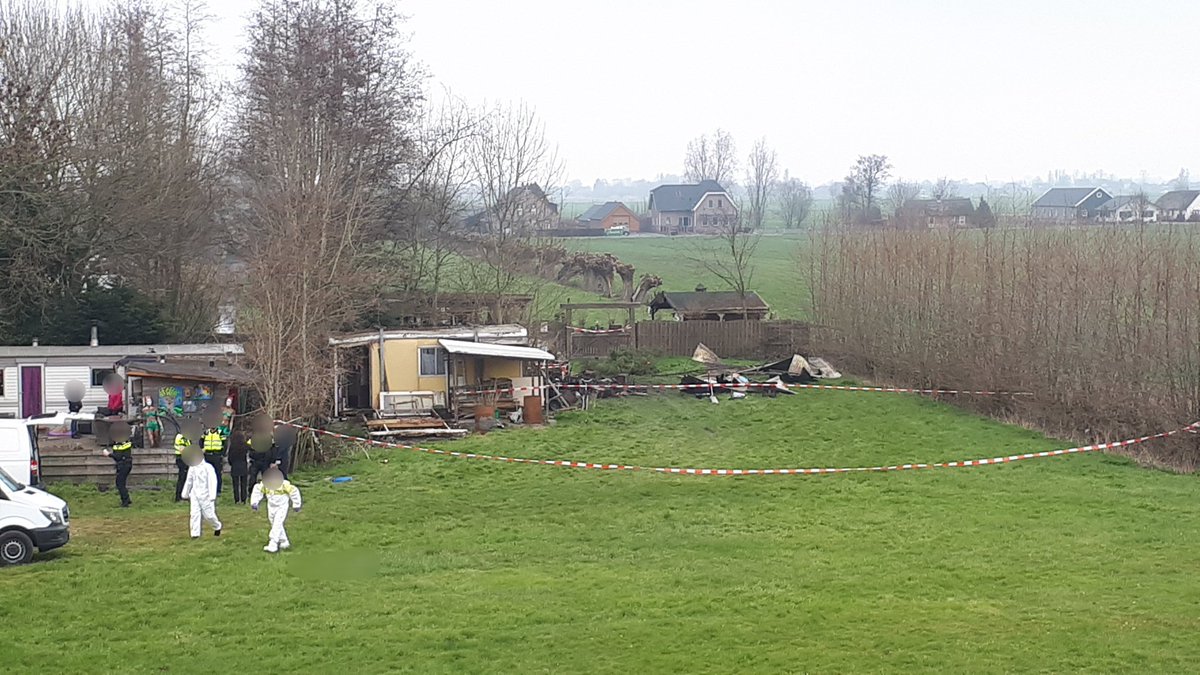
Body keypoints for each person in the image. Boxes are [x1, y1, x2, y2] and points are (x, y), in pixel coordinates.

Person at [250, 466, 301, 553]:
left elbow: (294, 491)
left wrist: (296, 504)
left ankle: (273, 543)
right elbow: (257, 489)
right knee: (274, 523)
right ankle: (284, 541)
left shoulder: (284, 484)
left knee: (277, 524)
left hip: (282, 507)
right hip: (271, 507)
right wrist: (254, 502)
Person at [180, 448, 222, 539]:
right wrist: (185, 493)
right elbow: (189, 481)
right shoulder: (192, 468)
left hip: (206, 495)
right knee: (194, 513)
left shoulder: (208, 468)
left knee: (209, 515)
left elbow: (212, 481)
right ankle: (195, 534)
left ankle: (217, 526)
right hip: (195, 494)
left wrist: (212, 495)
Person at [103, 422, 134, 508]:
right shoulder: (127, 442)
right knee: (122, 483)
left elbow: (118, 456)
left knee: (119, 484)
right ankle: (127, 499)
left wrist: (108, 454)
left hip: (123, 465)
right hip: (128, 464)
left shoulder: (118, 445)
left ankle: (125, 502)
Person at [201, 425, 226, 496]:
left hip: (217, 455)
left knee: (218, 473)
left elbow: (225, 444)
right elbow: (201, 441)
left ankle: (218, 490)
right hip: (207, 455)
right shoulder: (206, 432)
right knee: (206, 474)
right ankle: (207, 489)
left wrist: (222, 454)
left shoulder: (220, 433)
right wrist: (202, 449)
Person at [227, 431, 250, 505]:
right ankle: (244, 499)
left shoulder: (233, 446)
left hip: (235, 466)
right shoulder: (245, 445)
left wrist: (231, 463)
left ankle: (236, 499)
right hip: (243, 465)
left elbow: (230, 457)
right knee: (244, 484)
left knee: (235, 484)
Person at [173, 429, 193, 502]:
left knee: (186, 478)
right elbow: (182, 449)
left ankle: (184, 495)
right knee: (182, 478)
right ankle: (179, 497)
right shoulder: (182, 437)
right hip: (183, 459)